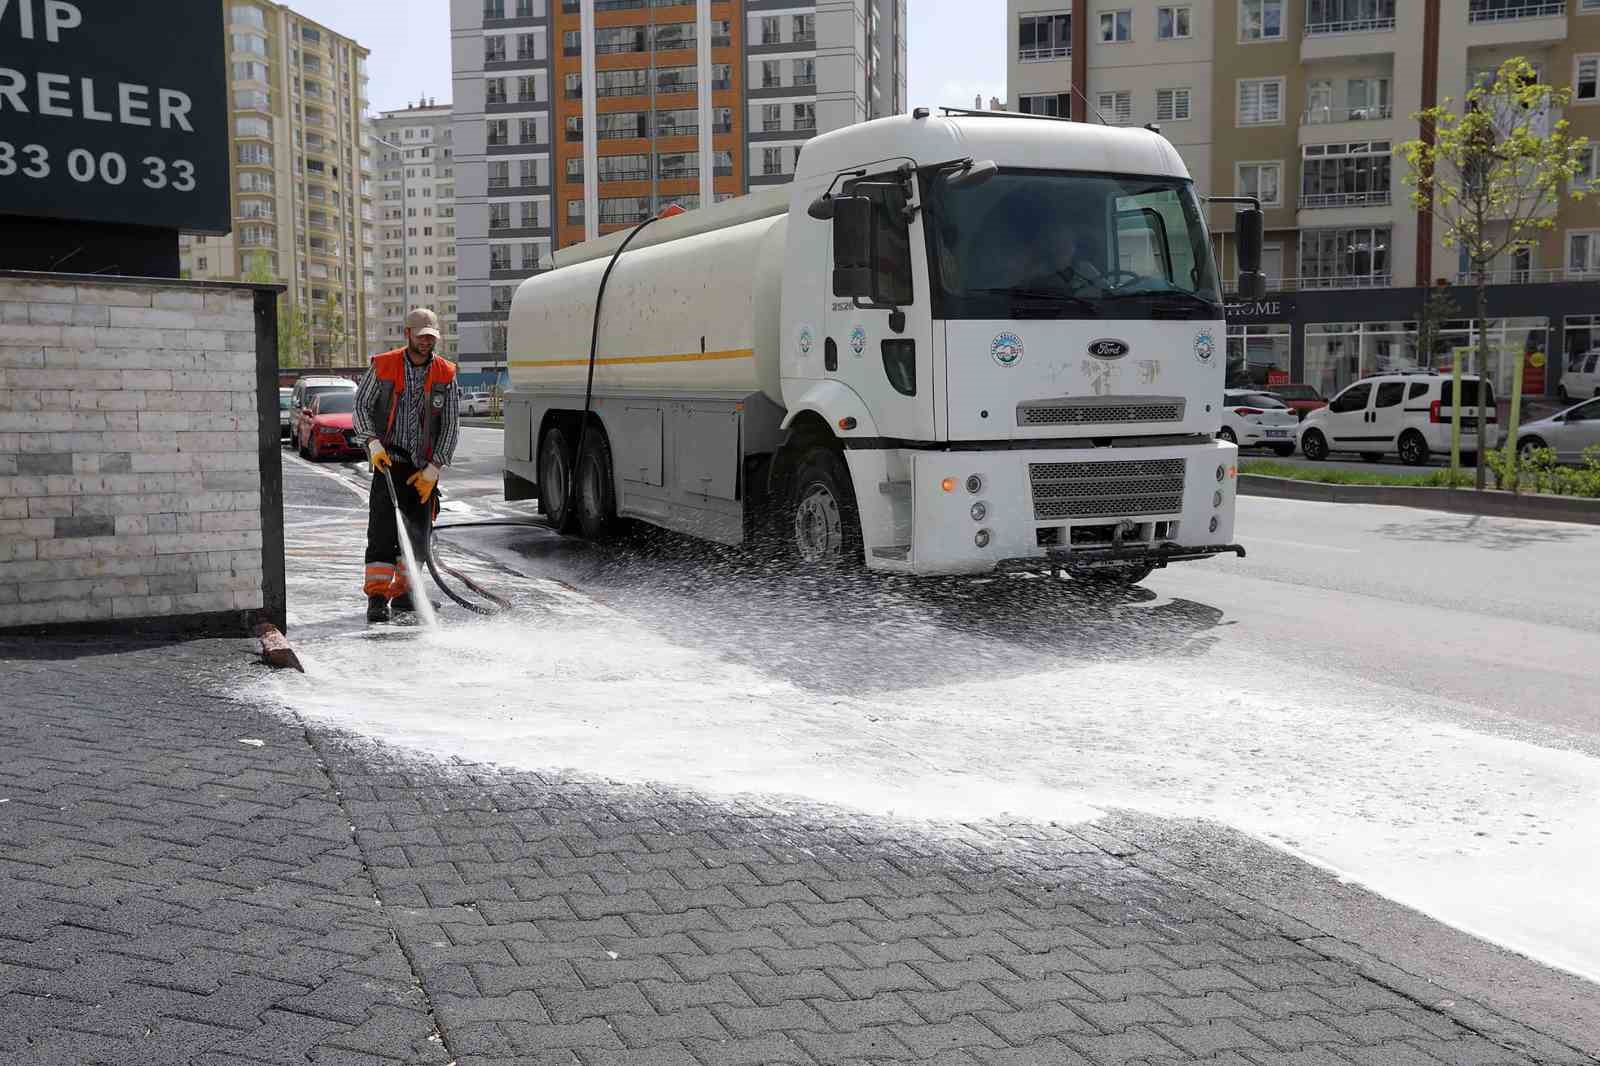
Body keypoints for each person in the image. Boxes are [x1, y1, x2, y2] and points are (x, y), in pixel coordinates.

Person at [353, 308, 460, 623]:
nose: (427, 342)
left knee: (416, 537)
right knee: (383, 535)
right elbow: (361, 404)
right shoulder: (384, 366)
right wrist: (372, 443)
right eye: (422, 336)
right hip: (389, 465)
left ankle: (404, 595)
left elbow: (452, 424)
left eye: (431, 337)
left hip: (422, 471)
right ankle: (376, 598)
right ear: (408, 334)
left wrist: (435, 467)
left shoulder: (445, 373)